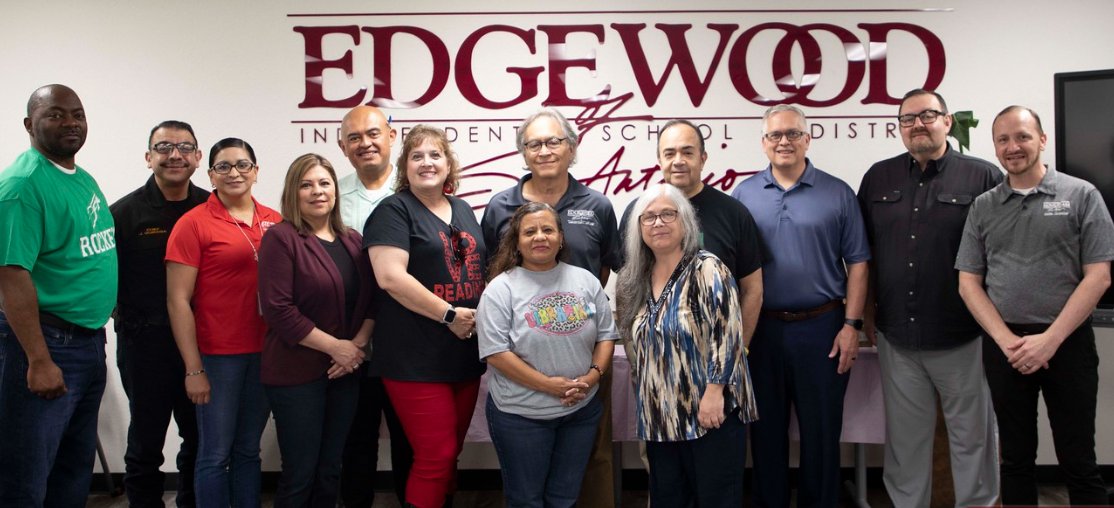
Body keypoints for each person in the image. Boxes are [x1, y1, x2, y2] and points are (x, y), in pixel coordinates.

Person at [957, 105, 1114, 506]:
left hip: (1067, 345)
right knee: (1014, 460)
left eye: (1022, 137)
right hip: (1005, 347)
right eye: (1003, 140)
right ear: (995, 147)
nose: (1013, 147)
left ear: (1042, 140)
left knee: (1079, 460)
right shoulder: (983, 206)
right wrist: (1006, 340)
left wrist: (1049, 341)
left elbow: (1099, 276)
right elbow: (968, 282)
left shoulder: (1082, 195)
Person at [857, 89, 1002, 507]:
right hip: (897, 335)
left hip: (963, 334)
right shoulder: (878, 177)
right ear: (899, 128)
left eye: (927, 115)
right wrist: (867, 313)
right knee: (905, 442)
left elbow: (1001, 256)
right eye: (907, 119)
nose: (917, 124)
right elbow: (864, 253)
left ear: (947, 121)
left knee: (973, 438)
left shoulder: (983, 177)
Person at [731, 104, 870, 508]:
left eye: (793, 133)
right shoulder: (744, 194)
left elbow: (859, 263)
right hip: (762, 329)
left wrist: (852, 325)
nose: (784, 142)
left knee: (822, 432)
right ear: (763, 143)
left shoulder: (838, 193)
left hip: (823, 328)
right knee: (764, 430)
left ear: (808, 139)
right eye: (775, 135)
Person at [480, 107, 620, 507]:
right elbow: (493, 270)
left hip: (587, 363)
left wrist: (589, 368)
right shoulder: (499, 206)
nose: (544, 151)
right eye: (534, 144)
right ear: (523, 153)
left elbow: (605, 268)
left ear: (571, 148)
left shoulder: (597, 205)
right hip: (523, 381)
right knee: (527, 490)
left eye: (554, 141)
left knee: (590, 462)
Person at [0, 84, 118, 506]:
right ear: (29, 124)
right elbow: (11, 275)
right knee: (26, 476)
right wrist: (38, 360)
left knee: (72, 470)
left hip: (87, 341)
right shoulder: (22, 187)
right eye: (55, 114)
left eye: (77, 114)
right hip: (47, 344)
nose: (70, 123)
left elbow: (87, 251)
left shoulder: (80, 178)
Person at [364, 125, 487, 508]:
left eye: (435, 155)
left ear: (449, 164)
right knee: (435, 456)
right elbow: (389, 277)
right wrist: (449, 315)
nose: (427, 163)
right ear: (405, 166)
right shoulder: (393, 211)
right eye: (417, 156)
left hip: (463, 356)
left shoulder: (462, 209)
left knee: (450, 456)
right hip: (413, 358)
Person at [615, 183, 757, 507]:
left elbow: (728, 335)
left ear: (686, 221)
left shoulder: (708, 268)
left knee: (716, 499)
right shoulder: (633, 278)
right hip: (660, 416)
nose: (658, 223)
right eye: (649, 217)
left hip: (710, 410)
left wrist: (715, 392)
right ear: (638, 227)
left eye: (668, 214)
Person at [166, 137, 281, 506]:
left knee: (248, 449)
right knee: (215, 454)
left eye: (243, 165)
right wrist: (193, 368)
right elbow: (177, 301)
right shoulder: (193, 223)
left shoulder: (276, 221)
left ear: (256, 171)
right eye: (224, 167)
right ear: (211, 175)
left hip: (266, 354)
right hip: (218, 357)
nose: (235, 173)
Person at [258, 153, 376, 506]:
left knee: (330, 469)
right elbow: (278, 310)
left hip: (345, 373)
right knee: (300, 474)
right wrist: (337, 348)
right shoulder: (281, 238)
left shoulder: (352, 239)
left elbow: (372, 301)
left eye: (324, 183)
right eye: (306, 185)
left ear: (335, 190)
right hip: (296, 375)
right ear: (293, 192)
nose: (317, 191)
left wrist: (355, 348)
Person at [111, 120, 210, 507]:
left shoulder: (212, 208)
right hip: (144, 346)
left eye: (184, 147)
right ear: (148, 157)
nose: (175, 155)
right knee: (145, 443)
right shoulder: (123, 213)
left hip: (202, 345)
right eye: (164, 147)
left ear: (198, 157)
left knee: (199, 440)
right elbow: (104, 280)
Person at [618, 119, 764, 345]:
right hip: (654, 354)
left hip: (717, 352)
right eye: (669, 154)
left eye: (687, 152)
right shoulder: (638, 213)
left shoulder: (733, 213)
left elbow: (752, 289)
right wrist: (633, 350)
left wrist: (739, 349)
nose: (678, 161)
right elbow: (626, 287)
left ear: (703, 158)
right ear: (659, 160)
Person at [335, 104, 413, 508]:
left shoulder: (417, 191)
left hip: (410, 342)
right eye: (354, 138)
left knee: (411, 443)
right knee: (355, 443)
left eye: (373, 134)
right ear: (343, 147)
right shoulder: (330, 196)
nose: (364, 143)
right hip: (351, 344)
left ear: (392, 137)